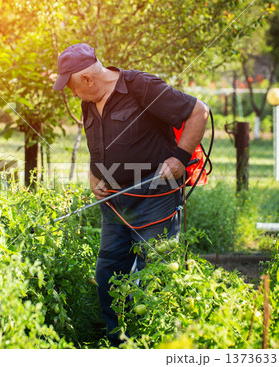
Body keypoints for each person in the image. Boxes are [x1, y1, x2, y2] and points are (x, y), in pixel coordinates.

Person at [53, 43, 209, 347]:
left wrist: (179, 157)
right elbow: (98, 143)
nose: (72, 95)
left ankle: (158, 342)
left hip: (155, 199)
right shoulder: (89, 99)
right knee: (108, 270)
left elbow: (199, 112)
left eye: (72, 87)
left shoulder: (141, 87)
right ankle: (118, 343)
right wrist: (93, 174)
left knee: (155, 272)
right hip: (114, 201)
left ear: (87, 79)